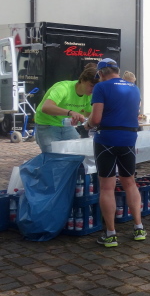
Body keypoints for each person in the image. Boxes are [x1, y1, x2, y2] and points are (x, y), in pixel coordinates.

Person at [84, 58, 142, 248]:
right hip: (129, 139)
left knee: (107, 187)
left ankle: (111, 234)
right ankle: (139, 228)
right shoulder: (134, 88)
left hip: (107, 139)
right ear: (117, 70)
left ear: (101, 73)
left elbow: (96, 119)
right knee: (130, 183)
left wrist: (87, 124)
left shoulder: (101, 87)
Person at [34, 63, 98, 153]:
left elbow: (88, 114)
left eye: (96, 87)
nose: (93, 89)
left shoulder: (89, 95)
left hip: (66, 125)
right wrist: (71, 112)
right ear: (83, 80)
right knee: (53, 156)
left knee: (78, 153)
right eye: (91, 85)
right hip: (47, 124)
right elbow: (46, 107)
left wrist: (85, 120)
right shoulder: (63, 88)